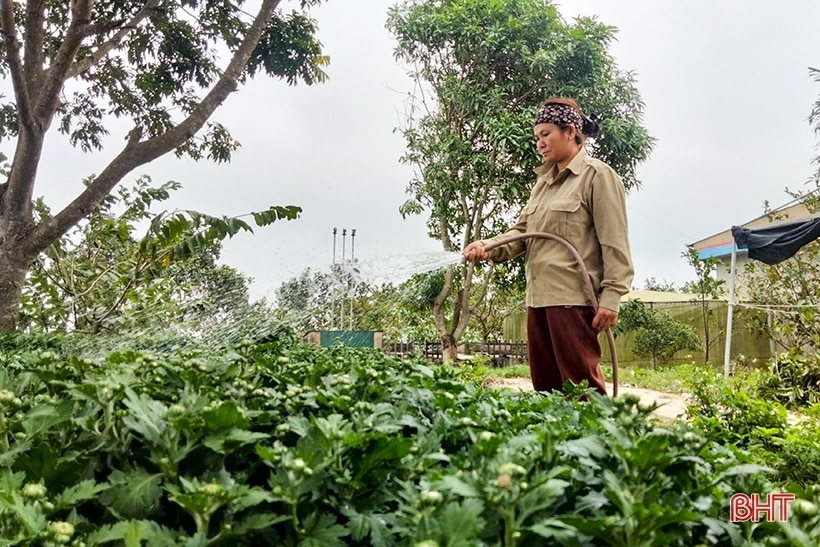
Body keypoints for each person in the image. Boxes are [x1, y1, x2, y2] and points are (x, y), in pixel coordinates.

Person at [462, 97, 633, 396]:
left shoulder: (597, 175)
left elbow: (614, 241)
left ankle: (597, 441)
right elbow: (523, 232)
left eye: (546, 134)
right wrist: (488, 246)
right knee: (546, 389)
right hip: (538, 300)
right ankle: (554, 444)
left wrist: (613, 297)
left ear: (570, 132)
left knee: (581, 389)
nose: (540, 143)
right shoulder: (543, 183)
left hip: (573, 300)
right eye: (537, 137)